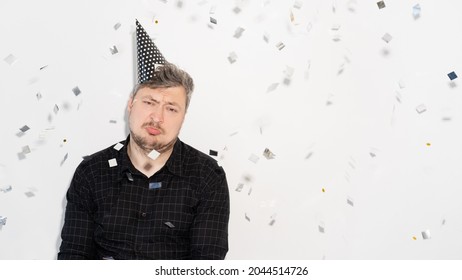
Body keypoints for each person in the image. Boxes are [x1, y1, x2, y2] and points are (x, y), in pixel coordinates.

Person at [58, 63, 230, 259]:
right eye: (149, 102)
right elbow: (73, 257)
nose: (157, 118)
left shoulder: (208, 176)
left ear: (183, 117)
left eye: (171, 109)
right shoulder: (91, 172)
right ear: (130, 104)